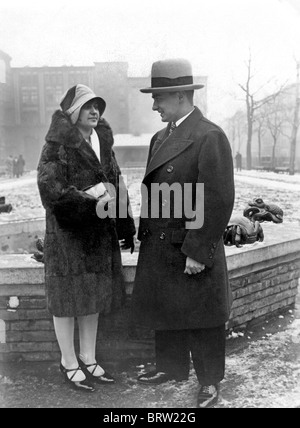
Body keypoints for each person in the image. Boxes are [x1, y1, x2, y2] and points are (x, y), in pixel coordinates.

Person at [132, 59, 235, 408]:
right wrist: (142, 230)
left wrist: (197, 249)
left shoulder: (210, 135)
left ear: (179, 95)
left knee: (202, 317)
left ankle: (209, 382)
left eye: (158, 97)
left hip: (190, 243)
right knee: (167, 309)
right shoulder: (161, 137)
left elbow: (217, 198)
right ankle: (170, 368)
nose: (154, 105)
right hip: (161, 243)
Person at [37, 84, 135, 392]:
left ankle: (88, 358)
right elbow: (50, 191)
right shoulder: (57, 144)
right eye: (88, 105)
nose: (95, 111)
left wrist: (124, 223)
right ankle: (69, 362)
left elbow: (116, 181)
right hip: (69, 235)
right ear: (72, 111)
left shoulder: (102, 141)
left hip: (97, 233)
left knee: (92, 299)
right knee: (67, 301)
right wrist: (91, 200)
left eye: (98, 106)